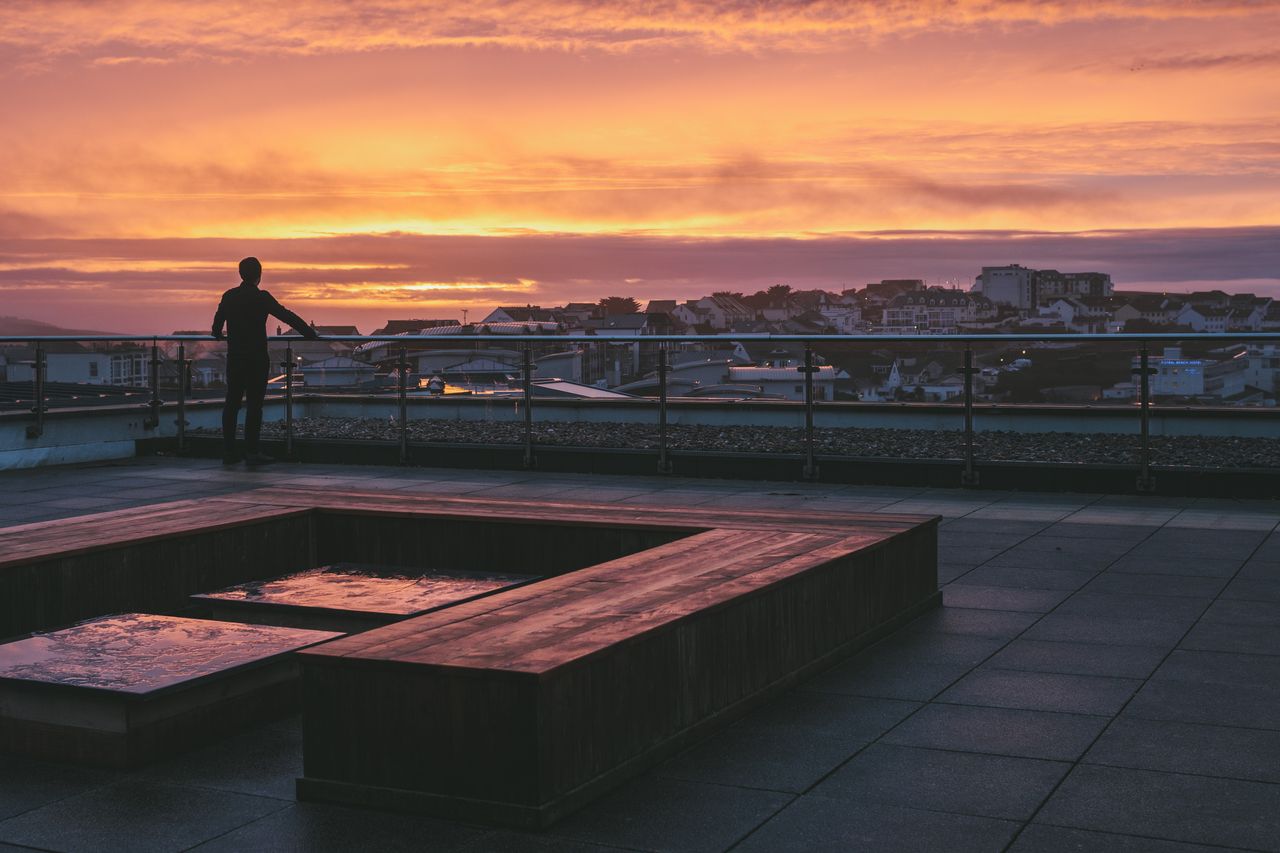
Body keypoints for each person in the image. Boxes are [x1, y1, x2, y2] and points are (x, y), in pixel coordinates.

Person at [212, 257, 318, 465]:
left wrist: (219, 333)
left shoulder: (229, 296)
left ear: (240, 274)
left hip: (235, 358)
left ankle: (229, 451)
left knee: (231, 404)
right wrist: (309, 332)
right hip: (257, 359)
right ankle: (252, 451)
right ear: (259, 275)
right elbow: (286, 316)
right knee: (254, 406)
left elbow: (216, 327)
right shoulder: (261, 297)